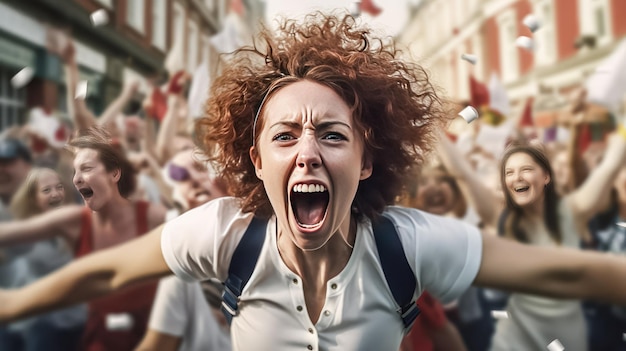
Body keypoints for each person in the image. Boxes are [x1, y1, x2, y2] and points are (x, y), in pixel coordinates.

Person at [2, 13, 626, 351]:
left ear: (368, 159)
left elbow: (567, 273)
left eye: (331, 135)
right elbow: (104, 273)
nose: (307, 153)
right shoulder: (221, 234)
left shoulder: (409, 246)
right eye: (284, 136)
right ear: (254, 159)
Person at [0, 127, 166, 351]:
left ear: (114, 174)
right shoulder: (74, 220)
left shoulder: (154, 216)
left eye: (86, 169)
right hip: (96, 340)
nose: (77, 179)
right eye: (75, 172)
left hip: (154, 336)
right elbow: (10, 233)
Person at [0, 168, 86, 351]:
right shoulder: (21, 234)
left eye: (59, 187)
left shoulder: (75, 222)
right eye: (46, 190)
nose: (55, 194)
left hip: (77, 322)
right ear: (32, 198)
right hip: (42, 326)